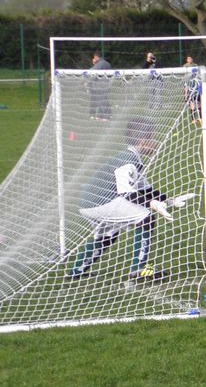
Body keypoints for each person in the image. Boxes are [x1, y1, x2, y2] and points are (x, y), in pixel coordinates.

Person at [67, 118, 195, 281]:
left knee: (108, 235)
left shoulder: (131, 158)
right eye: (152, 138)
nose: (155, 143)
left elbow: (146, 191)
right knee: (145, 217)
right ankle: (138, 269)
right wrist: (152, 204)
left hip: (87, 203)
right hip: (100, 201)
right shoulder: (129, 160)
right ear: (143, 140)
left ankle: (77, 270)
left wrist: (171, 201)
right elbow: (126, 192)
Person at [88, 52, 113, 121]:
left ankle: (107, 116)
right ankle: (102, 116)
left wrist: (88, 82)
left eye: (94, 57)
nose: (93, 59)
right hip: (106, 84)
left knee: (101, 100)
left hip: (101, 85)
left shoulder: (100, 63)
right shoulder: (105, 63)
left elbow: (92, 73)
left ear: (96, 57)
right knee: (102, 99)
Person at [183, 55, 202, 125]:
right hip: (191, 92)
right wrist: (185, 96)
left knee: (199, 104)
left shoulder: (195, 66)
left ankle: (200, 118)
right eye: (189, 58)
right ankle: (193, 119)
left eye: (191, 58)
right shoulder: (187, 78)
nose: (190, 59)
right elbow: (186, 87)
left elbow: (200, 83)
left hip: (197, 91)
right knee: (192, 105)